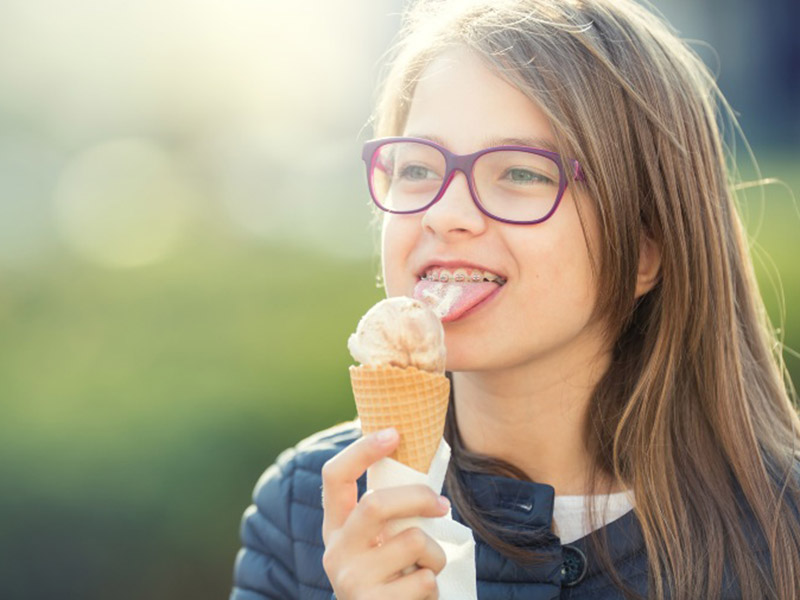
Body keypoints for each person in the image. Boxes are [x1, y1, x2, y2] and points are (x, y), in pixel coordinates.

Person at [229, 0, 800, 598]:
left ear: (644, 251)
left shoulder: (781, 537)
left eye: (522, 173)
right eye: (417, 168)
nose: (444, 214)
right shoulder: (301, 515)